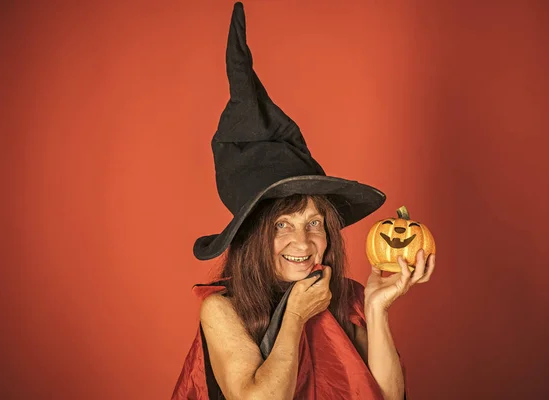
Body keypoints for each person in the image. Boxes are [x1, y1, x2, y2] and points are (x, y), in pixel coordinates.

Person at [172, 3, 435, 400]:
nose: (304, 242)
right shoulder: (221, 309)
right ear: (252, 236)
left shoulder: (345, 297)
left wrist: (378, 308)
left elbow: (388, 396)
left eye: (314, 223)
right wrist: (295, 315)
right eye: (282, 225)